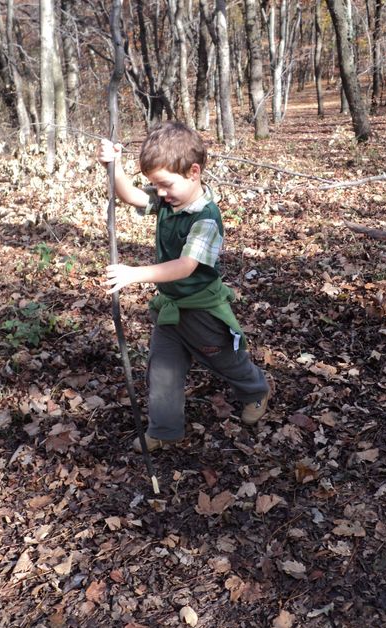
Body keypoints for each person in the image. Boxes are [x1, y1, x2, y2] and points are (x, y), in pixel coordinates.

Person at [98, 121, 270, 452]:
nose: (160, 193)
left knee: (225, 360)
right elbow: (130, 195)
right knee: (163, 370)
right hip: (171, 311)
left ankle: (256, 390)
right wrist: (114, 165)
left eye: (164, 184)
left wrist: (134, 274)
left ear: (193, 172)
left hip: (203, 311)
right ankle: (164, 430)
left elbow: (185, 266)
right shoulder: (168, 200)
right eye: (155, 185)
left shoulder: (205, 218)